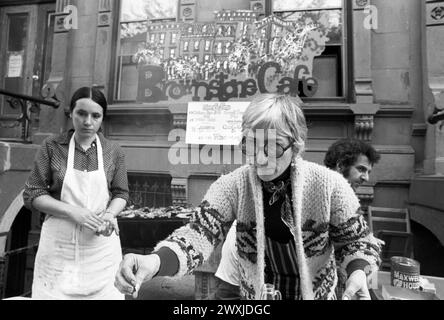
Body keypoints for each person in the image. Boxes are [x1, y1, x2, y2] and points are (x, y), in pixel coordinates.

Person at [114, 93, 383, 300]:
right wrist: (156, 261)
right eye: (252, 145)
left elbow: (358, 242)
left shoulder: (330, 185)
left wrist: (358, 270)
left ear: (296, 146)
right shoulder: (232, 185)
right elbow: (198, 234)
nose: (261, 159)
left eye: (274, 147)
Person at [213, 138, 381, 300]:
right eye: (361, 169)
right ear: (340, 166)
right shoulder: (304, 196)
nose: (366, 177)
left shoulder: (340, 202)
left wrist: (358, 265)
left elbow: (358, 245)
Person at [23, 87, 129, 300]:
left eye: (95, 115)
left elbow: (121, 193)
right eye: (81, 113)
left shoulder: (114, 151)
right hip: (58, 248)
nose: (87, 121)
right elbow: (33, 194)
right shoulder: (52, 147)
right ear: (71, 113)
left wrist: (109, 215)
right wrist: (73, 212)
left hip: (100, 248)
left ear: (102, 119)